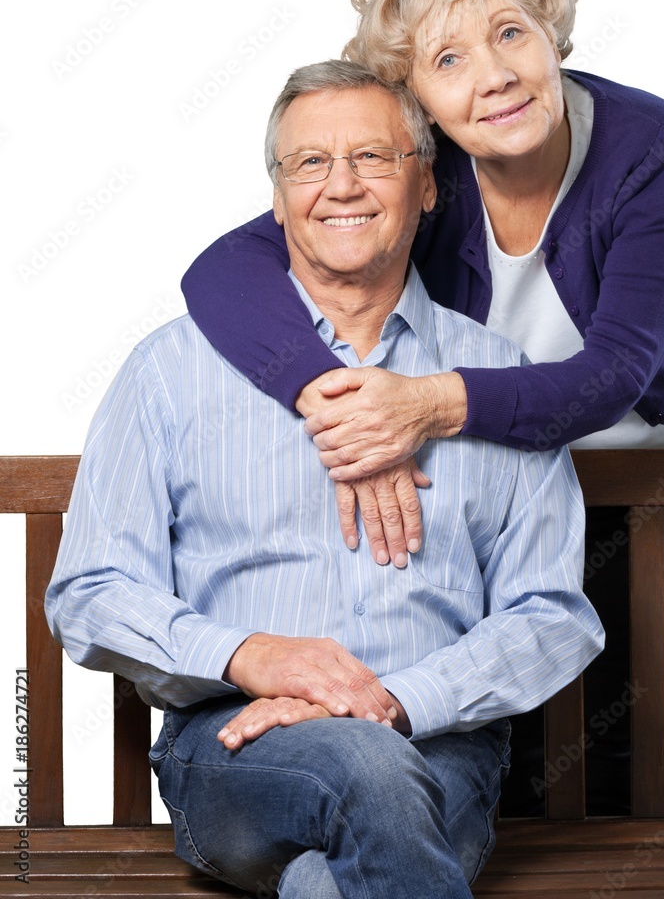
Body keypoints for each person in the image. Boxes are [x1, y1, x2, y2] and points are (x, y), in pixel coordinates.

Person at [179, 0, 664, 816]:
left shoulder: (656, 151)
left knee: (612, 775)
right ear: (417, 104)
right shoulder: (420, 176)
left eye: (511, 32)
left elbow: (613, 377)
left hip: (642, 475)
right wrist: (332, 396)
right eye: (449, 60)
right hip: (491, 482)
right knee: (470, 757)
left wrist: (423, 405)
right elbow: (223, 268)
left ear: (552, 31)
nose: (496, 75)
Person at [45, 61, 603, 898]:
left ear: (427, 187)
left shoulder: (494, 377)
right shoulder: (171, 370)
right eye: (310, 163)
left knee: (328, 881)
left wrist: (394, 700)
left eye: (374, 158)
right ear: (276, 199)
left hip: (435, 741)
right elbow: (89, 590)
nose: (341, 186)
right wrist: (251, 654)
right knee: (366, 771)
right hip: (234, 746)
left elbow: (552, 615)